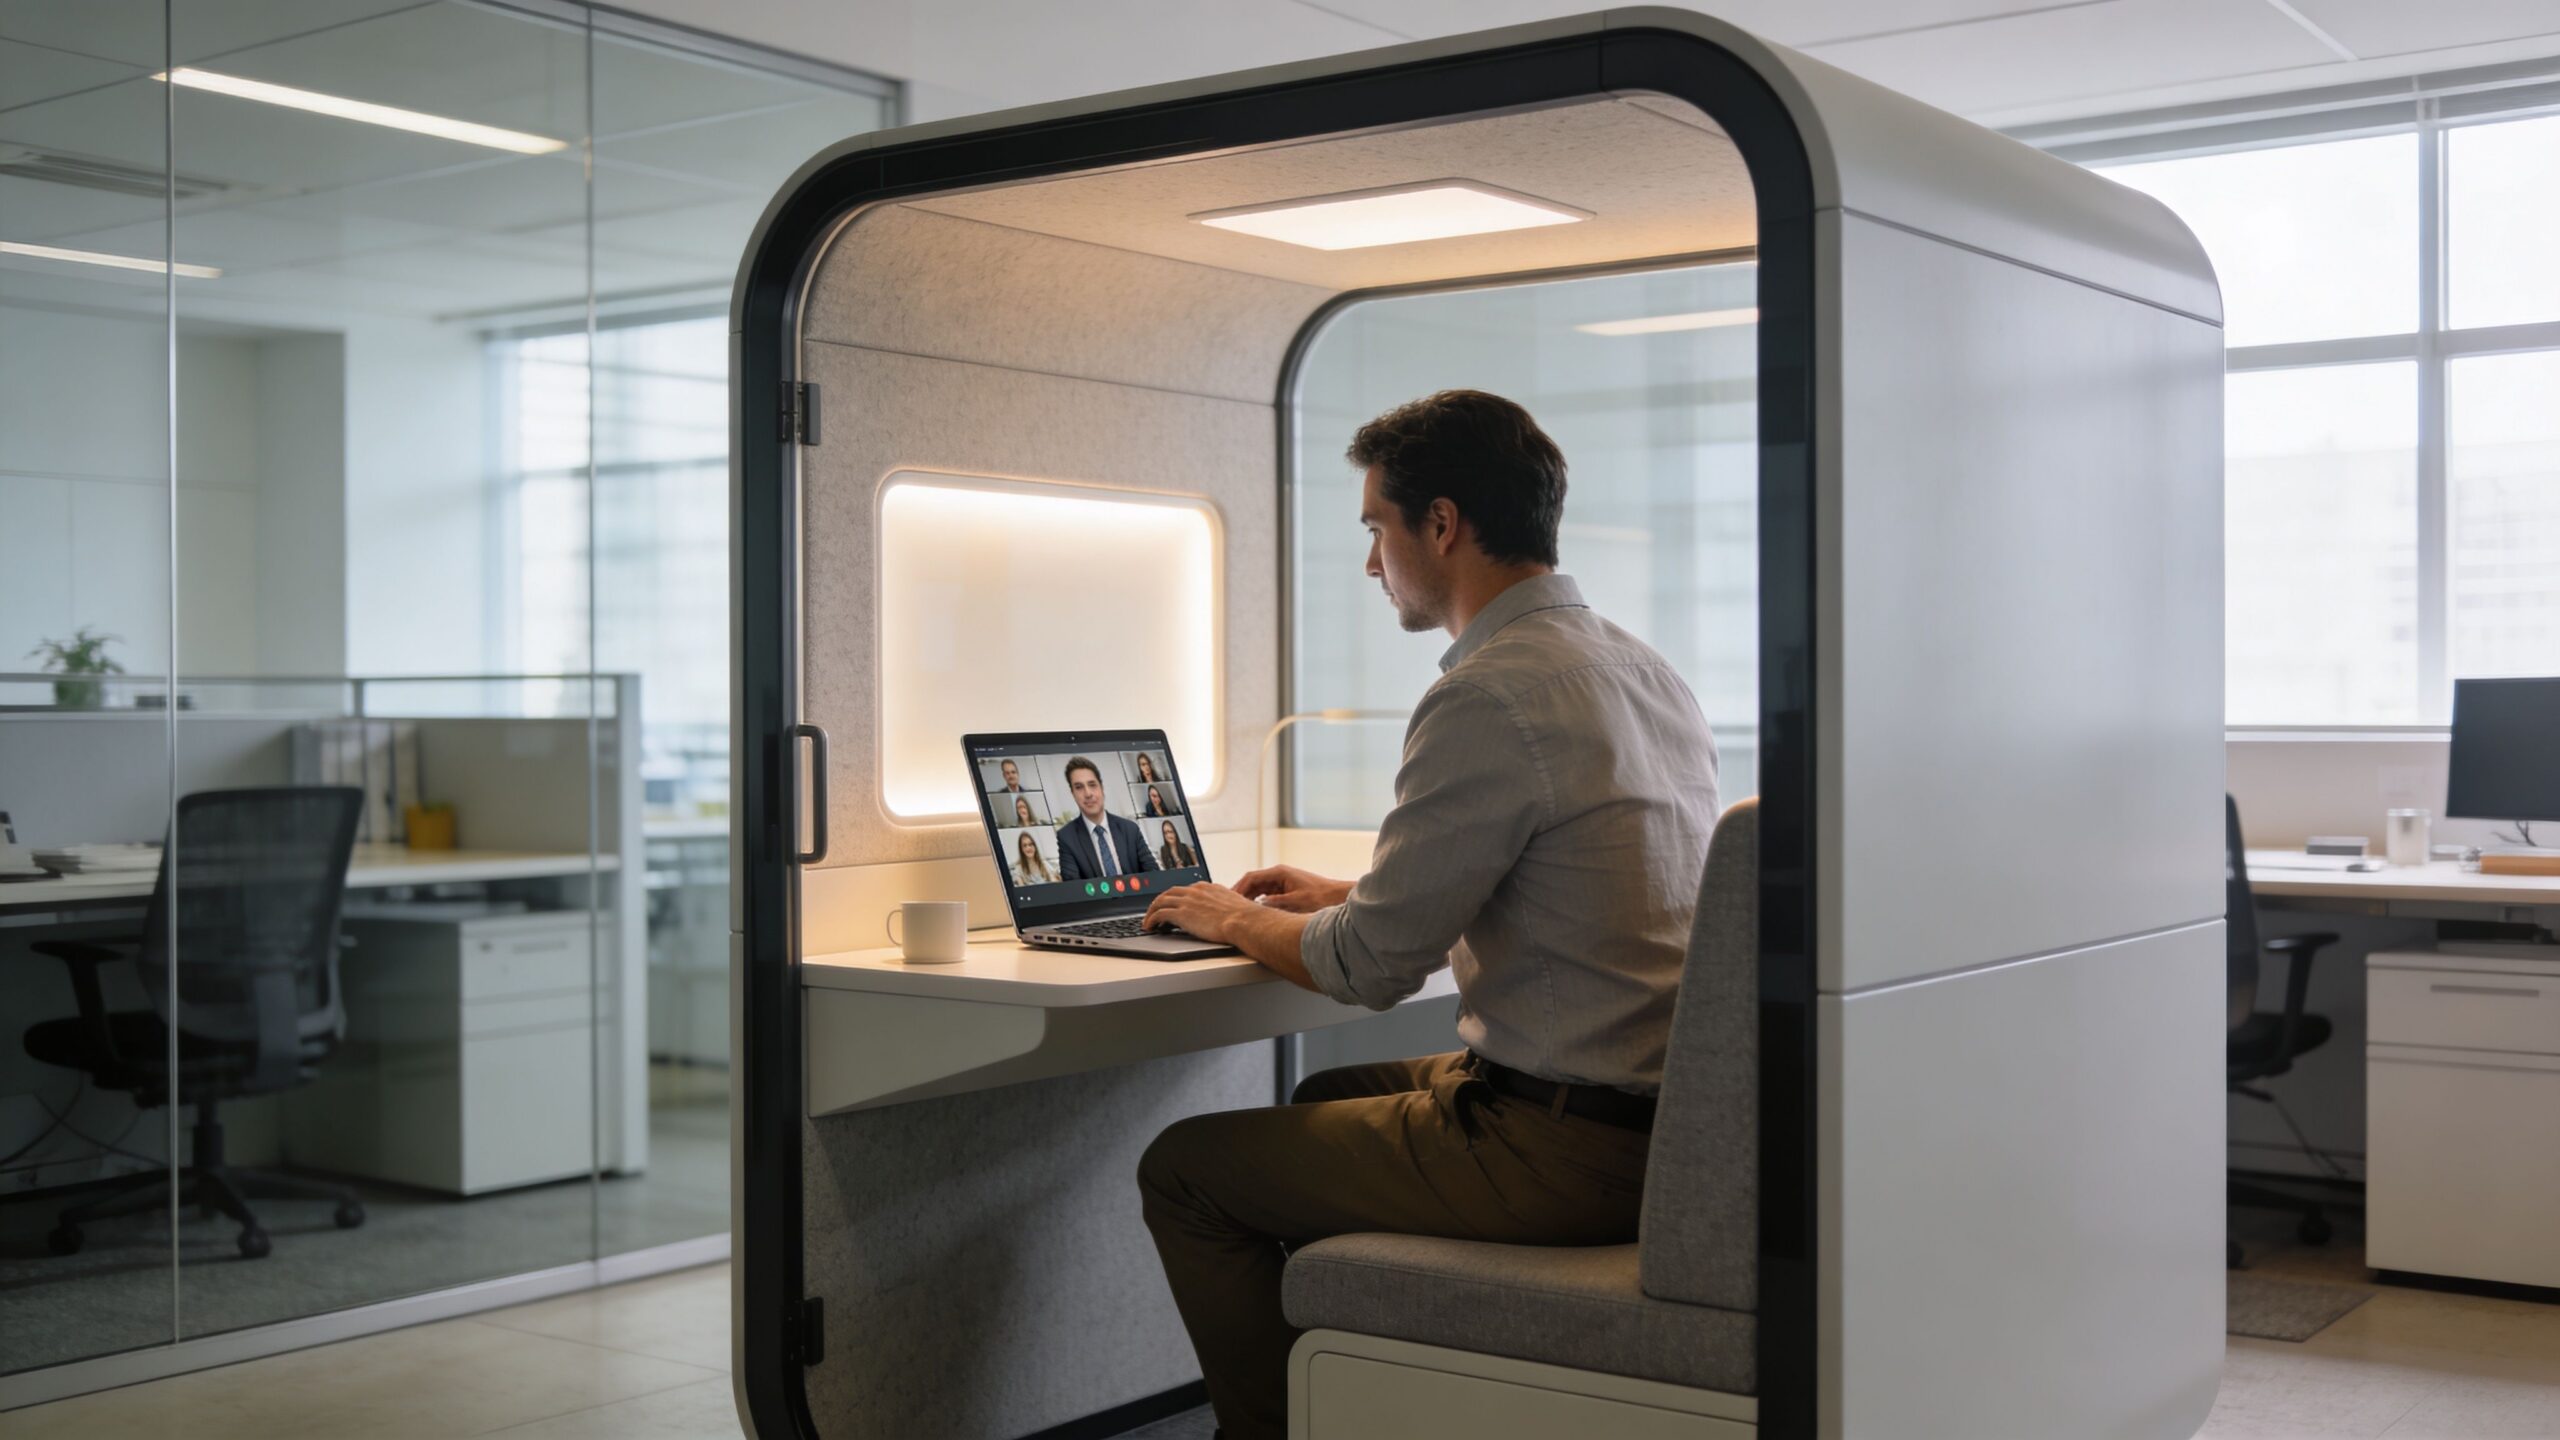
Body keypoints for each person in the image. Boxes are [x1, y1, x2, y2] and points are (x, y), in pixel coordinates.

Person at [1136, 389, 1720, 1440]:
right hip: (1665, 1125)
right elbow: (1564, 884)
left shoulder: (1487, 694)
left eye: (1377, 527)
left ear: (1441, 525)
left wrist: (1228, 917)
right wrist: (1346, 895)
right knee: (1325, 1095)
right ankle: (1361, 1397)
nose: (1372, 562)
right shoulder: (1643, 669)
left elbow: (1365, 969)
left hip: (1563, 1152)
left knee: (1184, 1170)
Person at [1053, 755, 1159, 882]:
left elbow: (1154, 876)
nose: (1088, 794)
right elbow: (1073, 888)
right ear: (1073, 793)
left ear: (1101, 788)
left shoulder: (1130, 829)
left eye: (1092, 785)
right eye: (1079, 787)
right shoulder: (1066, 837)